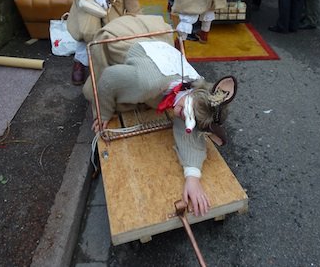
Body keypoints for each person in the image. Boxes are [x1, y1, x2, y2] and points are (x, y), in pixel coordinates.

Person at [93, 37, 237, 217]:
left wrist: (193, 177)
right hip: (144, 54)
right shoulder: (148, 83)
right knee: (119, 100)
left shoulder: (195, 91)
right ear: (193, 96)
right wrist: (104, 113)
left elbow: (190, 134)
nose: (185, 117)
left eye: (189, 118)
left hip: (164, 62)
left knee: (162, 107)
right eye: (188, 113)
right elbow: (108, 77)